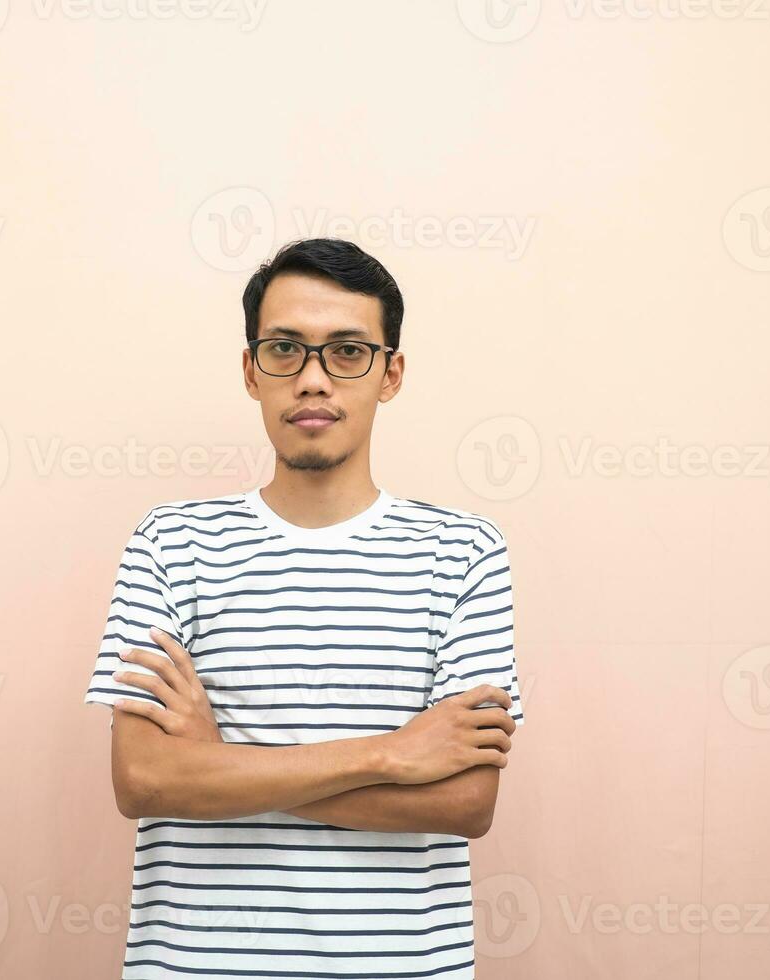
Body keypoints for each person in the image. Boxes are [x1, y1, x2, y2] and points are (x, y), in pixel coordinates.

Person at [83, 237, 525, 978]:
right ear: (252, 371)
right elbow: (146, 782)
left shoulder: (466, 553)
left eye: (348, 351)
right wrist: (391, 756)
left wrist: (219, 765)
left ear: (391, 375)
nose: (314, 380)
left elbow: (463, 802)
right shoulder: (172, 542)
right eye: (286, 349)